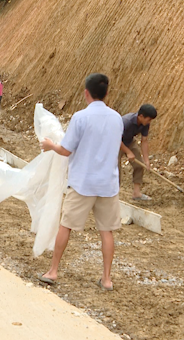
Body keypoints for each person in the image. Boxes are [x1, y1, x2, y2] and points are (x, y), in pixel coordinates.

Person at [38, 73, 123, 291]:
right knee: (106, 231)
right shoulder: (117, 118)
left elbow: (66, 150)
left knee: (66, 225)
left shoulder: (80, 117)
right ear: (106, 94)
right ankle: (106, 279)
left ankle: (53, 271)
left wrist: (50, 145)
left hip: (83, 183)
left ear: (86, 93)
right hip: (108, 184)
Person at [119, 104, 158, 201]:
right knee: (115, 167)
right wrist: (128, 152)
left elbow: (144, 141)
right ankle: (114, 193)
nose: (149, 122)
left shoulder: (145, 124)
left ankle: (136, 193)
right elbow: (115, 138)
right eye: (148, 119)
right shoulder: (126, 122)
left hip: (129, 141)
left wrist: (146, 160)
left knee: (139, 166)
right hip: (115, 143)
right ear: (141, 116)